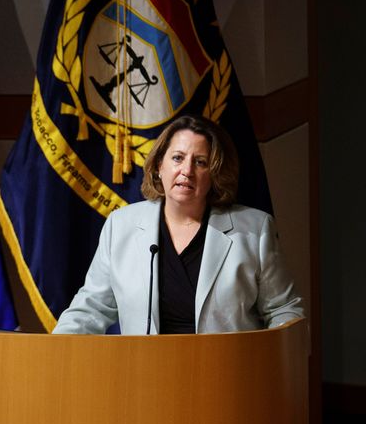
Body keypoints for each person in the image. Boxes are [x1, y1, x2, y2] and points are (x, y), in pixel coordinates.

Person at [52, 114, 303, 335]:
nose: (187, 170)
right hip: (146, 377)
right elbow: (91, 308)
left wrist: (277, 365)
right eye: (178, 158)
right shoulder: (121, 226)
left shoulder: (254, 230)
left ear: (214, 173)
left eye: (200, 162)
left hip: (225, 379)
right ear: (160, 165)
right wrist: (53, 351)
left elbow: (284, 310)